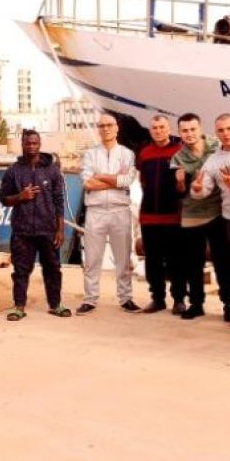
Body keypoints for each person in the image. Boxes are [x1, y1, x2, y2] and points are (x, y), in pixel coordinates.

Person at [180, 113, 230, 322]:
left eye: (229, 129)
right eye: (221, 130)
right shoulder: (213, 160)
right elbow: (203, 187)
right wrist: (196, 189)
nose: (226, 133)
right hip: (228, 217)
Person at [0, 130, 71, 320]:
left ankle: (55, 304)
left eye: (35, 143)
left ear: (40, 144)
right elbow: (3, 199)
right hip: (22, 231)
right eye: (27, 143)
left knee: (53, 269)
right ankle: (19, 306)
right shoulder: (13, 170)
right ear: (22, 144)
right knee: (21, 270)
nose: (31, 146)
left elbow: (58, 201)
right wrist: (20, 197)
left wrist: (60, 229)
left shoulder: (52, 170)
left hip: (47, 229)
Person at [77, 113, 140, 315]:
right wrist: (114, 180)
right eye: (102, 125)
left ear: (117, 128)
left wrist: (101, 177)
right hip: (95, 211)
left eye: (109, 125)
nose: (106, 129)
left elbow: (127, 180)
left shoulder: (127, 154)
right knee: (92, 259)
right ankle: (90, 299)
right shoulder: (90, 154)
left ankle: (126, 298)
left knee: (123, 258)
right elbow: (87, 182)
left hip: (119, 210)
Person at [136, 115, 186, 314]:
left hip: (172, 216)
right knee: (153, 261)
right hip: (149, 216)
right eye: (154, 127)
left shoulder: (179, 150)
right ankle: (157, 298)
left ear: (169, 128)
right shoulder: (145, 153)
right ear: (151, 130)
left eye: (161, 127)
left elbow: (183, 184)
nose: (158, 130)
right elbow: (143, 182)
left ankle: (179, 299)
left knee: (176, 260)